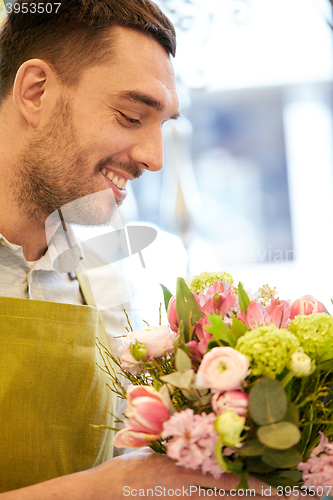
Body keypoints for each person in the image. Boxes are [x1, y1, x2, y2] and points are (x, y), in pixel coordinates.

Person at [0, 1, 316, 498]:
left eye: (163, 125)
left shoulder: (105, 274)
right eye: (131, 117)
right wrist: (114, 487)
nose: (155, 158)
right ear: (36, 91)